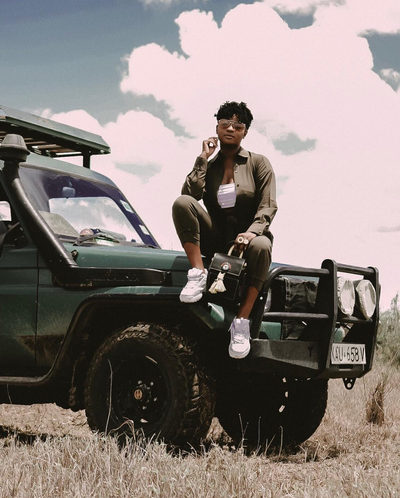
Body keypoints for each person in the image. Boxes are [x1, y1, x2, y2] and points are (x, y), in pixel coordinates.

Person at [172, 101, 277, 359]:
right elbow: (190, 194)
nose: (231, 129)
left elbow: (268, 205)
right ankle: (198, 273)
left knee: (263, 245)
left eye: (238, 126)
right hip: (216, 238)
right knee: (182, 203)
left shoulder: (259, 163)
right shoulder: (210, 165)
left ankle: (241, 322)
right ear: (217, 128)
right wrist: (203, 158)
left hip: (249, 241)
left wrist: (251, 232)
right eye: (225, 124)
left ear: (245, 132)